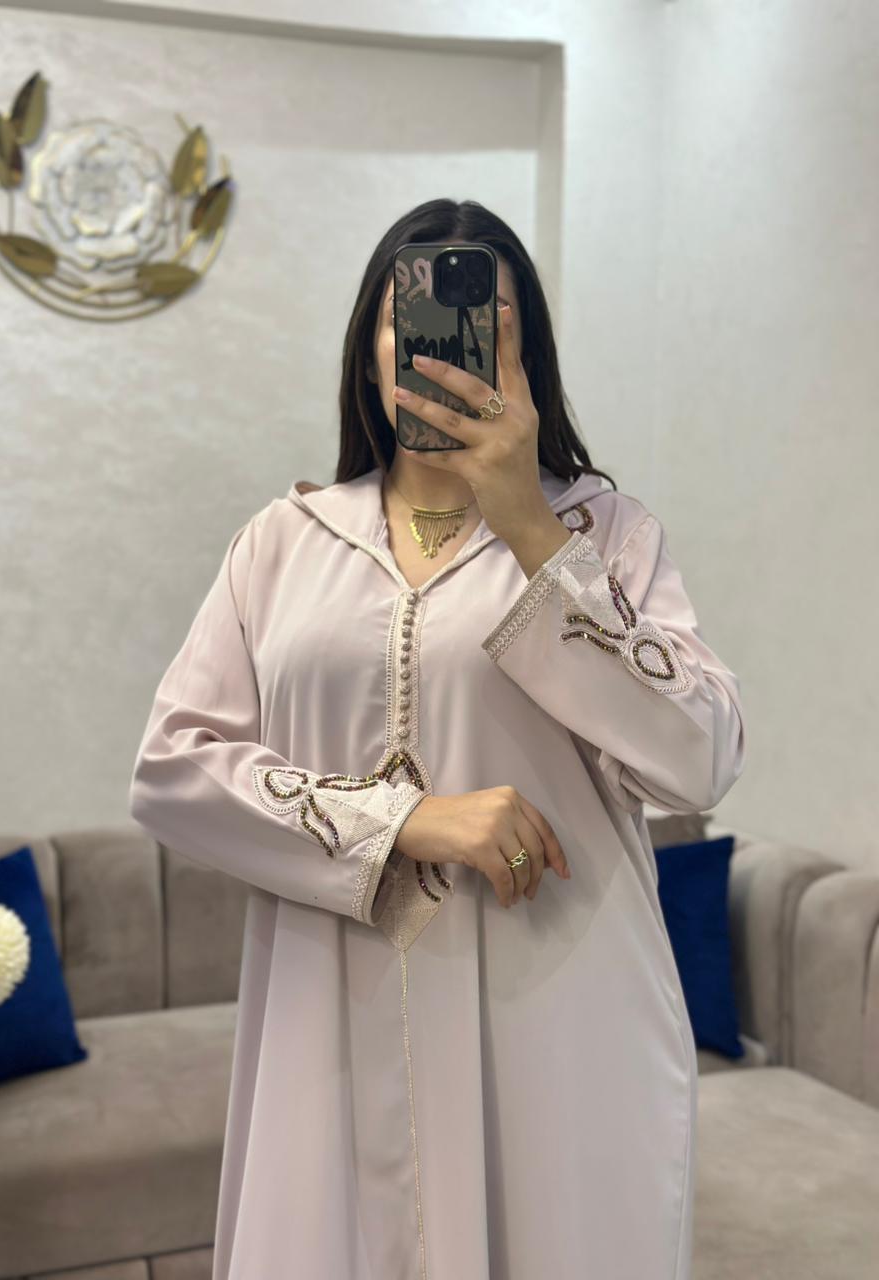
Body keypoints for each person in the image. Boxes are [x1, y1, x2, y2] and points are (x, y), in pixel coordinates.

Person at [128, 197, 746, 1279]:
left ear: (524, 350)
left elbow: (701, 756)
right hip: (329, 1010)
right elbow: (172, 770)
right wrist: (401, 819)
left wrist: (530, 525)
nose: (437, 343)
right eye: (401, 315)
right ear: (370, 346)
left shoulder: (604, 533)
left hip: (559, 1016)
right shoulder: (284, 542)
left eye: (485, 317)